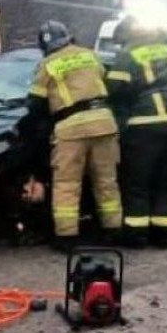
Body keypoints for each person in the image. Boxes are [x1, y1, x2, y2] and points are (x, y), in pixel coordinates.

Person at [26, 19, 122, 251]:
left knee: (67, 183)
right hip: (103, 123)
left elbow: (35, 103)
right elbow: (103, 80)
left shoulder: (47, 64)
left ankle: (66, 238)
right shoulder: (89, 55)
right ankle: (113, 231)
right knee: (106, 181)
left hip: (71, 127)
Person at [105, 17, 167, 249]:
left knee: (138, 181)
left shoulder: (128, 53)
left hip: (147, 123)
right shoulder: (164, 49)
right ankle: (162, 233)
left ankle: (136, 235)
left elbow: (114, 88)